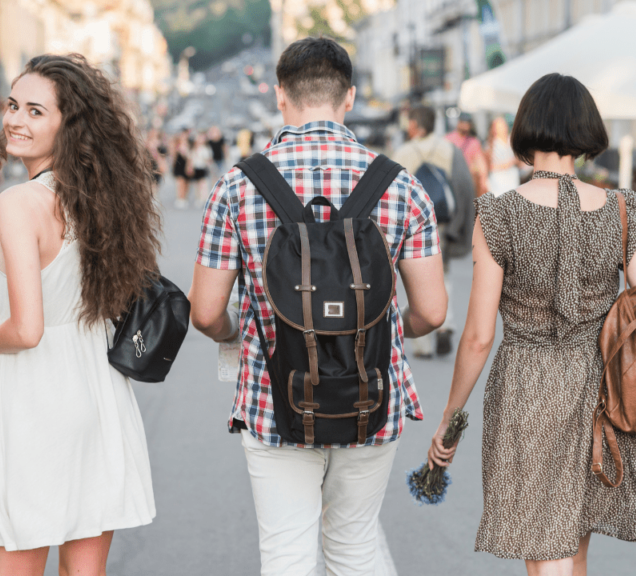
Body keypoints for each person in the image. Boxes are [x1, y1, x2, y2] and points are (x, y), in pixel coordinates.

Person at [189, 37, 447, 575]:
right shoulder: (401, 186)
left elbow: (206, 312)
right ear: (349, 97)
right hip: (372, 394)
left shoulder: (238, 186)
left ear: (281, 95)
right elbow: (432, 311)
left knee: (286, 552)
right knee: (353, 545)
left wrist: (245, 330)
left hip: (273, 394)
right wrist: (370, 331)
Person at [429, 73, 636, 575]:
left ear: (525, 129)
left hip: (526, 392)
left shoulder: (500, 215)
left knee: (545, 554)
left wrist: (451, 416)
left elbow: (478, 336)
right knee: (573, 548)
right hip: (603, 392)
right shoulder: (623, 210)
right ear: (586, 130)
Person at [0, 54, 159, 576]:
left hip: (36, 402)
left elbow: (26, 328)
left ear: (69, 125)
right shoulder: (101, 197)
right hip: (96, 390)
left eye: (36, 111)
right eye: (13, 105)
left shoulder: (19, 203)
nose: (16, 120)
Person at [393, 106, 475, 358]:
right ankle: (445, 325)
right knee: (444, 272)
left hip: (412, 225)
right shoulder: (449, 150)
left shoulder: (403, 152)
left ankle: (423, 344)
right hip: (443, 221)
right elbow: (464, 186)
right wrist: (460, 225)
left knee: (416, 277)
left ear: (416, 125)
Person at [447, 115, 488, 197]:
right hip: (452, 179)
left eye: (467, 124)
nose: (465, 126)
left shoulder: (474, 142)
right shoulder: (448, 139)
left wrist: (483, 181)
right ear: (459, 123)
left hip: (468, 180)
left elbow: (480, 164)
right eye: (463, 123)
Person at [486, 116, 521, 195]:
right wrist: (507, 164)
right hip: (498, 179)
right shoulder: (491, 144)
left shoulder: (511, 140)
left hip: (512, 177)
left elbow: (519, 159)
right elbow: (489, 166)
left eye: (503, 125)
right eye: (499, 126)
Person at [188, 131, 212, 204]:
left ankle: (204, 197)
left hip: (202, 168)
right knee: (196, 184)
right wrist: (190, 167)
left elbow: (208, 159)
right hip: (196, 168)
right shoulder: (193, 149)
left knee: (203, 184)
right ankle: (198, 197)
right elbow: (191, 159)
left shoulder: (205, 149)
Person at [171, 130, 191, 208]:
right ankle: (180, 198)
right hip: (179, 165)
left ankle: (184, 197)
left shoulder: (189, 145)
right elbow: (174, 156)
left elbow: (190, 156)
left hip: (186, 165)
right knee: (180, 182)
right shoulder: (176, 146)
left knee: (186, 183)